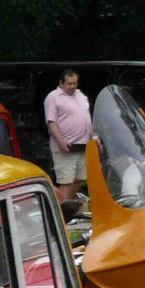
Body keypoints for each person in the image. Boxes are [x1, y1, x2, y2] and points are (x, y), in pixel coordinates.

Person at [44, 68, 91, 200]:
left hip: (82, 145)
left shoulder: (80, 95)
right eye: (69, 84)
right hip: (65, 146)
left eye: (75, 83)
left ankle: (68, 205)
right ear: (61, 83)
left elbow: (86, 118)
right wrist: (61, 142)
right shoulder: (53, 97)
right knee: (66, 180)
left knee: (80, 178)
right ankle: (62, 209)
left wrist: (93, 136)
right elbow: (51, 122)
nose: (72, 86)